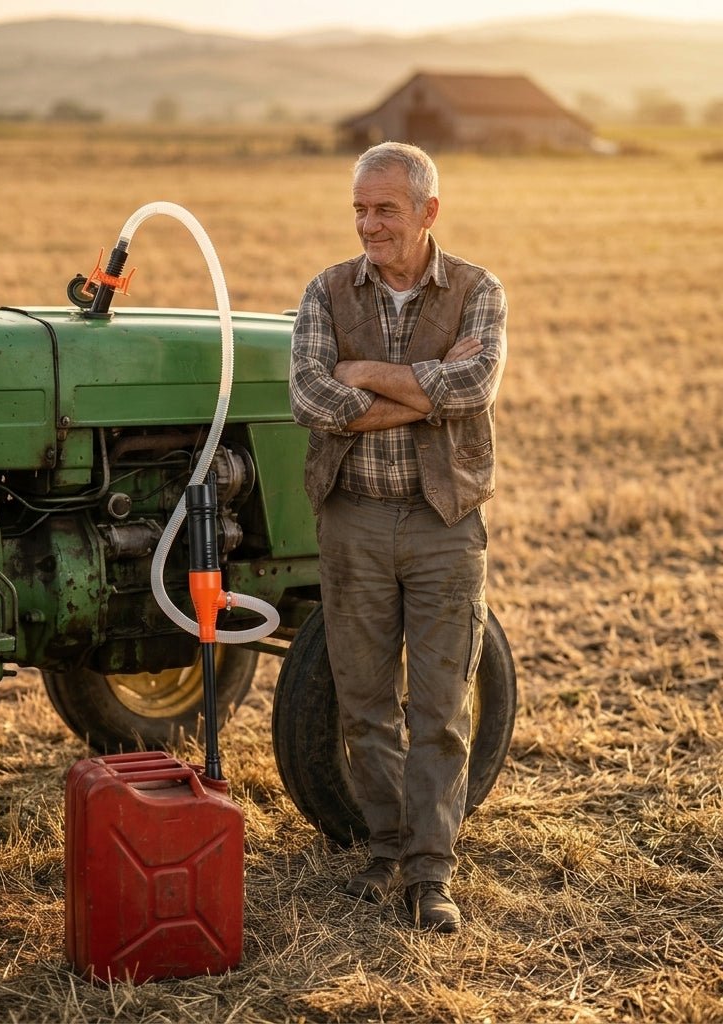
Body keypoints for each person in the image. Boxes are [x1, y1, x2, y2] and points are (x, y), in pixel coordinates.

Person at [289, 141, 507, 933]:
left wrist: (368, 375)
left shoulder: (479, 291)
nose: (369, 224)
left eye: (385, 208)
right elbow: (312, 400)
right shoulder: (326, 290)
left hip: (444, 522)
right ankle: (386, 851)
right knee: (364, 704)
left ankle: (431, 872)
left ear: (428, 211)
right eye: (359, 208)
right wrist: (424, 387)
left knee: (443, 708)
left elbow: (475, 385)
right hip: (351, 519)